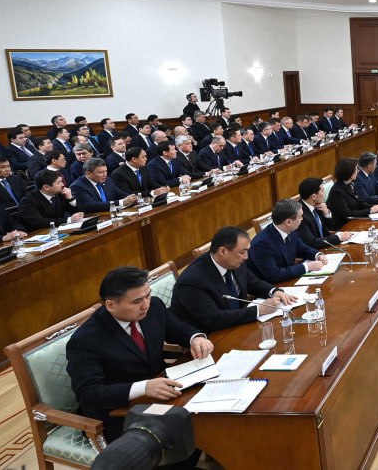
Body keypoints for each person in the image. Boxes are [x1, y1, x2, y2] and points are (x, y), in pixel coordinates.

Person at [67, 266, 212, 443]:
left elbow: (177, 328)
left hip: (162, 392)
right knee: (187, 431)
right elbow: (89, 394)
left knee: (210, 416)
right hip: (119, 413)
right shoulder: (85, 340)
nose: (146, 305)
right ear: (111, 305)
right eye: (137, 301)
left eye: (148, 296)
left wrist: (195, 338)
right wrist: (143, 387)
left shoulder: (154, 307)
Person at [171, 226, 301, 333]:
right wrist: (259, 310)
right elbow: (214, 319)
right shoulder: (192, 281)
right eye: (242, 252)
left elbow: (253, 283)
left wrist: (274, 291)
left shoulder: (234, 261)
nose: (246, 257)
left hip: (237, 325)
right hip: (209, 338)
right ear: (223, 252)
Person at [248, 200, 335, 283]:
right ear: (288, 222)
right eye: (300, 216)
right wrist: (306, 267)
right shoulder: (261, 244)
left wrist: (317, 255)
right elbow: (274, 275)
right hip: (274, 286)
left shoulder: (290, 230)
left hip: (289, 278)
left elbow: (302, 248)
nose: (302, 219)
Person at [18, 169, 85, 230]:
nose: (62, 185)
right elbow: (39, 222)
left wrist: (70, 199)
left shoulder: (60, 193)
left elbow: (78, 213)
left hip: (59, 229)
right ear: (46, 187)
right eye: (58, 183)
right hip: (39, 233)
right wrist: (68, 220)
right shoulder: (28, 201)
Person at [328, 158, 378, 231]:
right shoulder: (337, 192)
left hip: (355, 221)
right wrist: (370, 210)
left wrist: (372, 207)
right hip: (345, 227)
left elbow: (359, 202)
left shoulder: (349, 185)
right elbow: (347, 214)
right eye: (356, 169)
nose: (358, 171)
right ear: (349, 172)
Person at [297, 177, 351, 248]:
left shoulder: (317, 206)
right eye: (322, 191)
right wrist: (338, 238)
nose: (324, 193)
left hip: (325, 246)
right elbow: (312, 243)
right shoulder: (300, 215)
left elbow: (328, 230)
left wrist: (326, 214)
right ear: (313, 196)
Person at [70, 158, 138, 213]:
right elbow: (90, 206)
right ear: (88, 173)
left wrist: (132, 198)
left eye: (105, 171)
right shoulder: (78, 186)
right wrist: (122, 202)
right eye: (100, 172)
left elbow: (121, 194)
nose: (105, 175)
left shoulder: (108, 180)